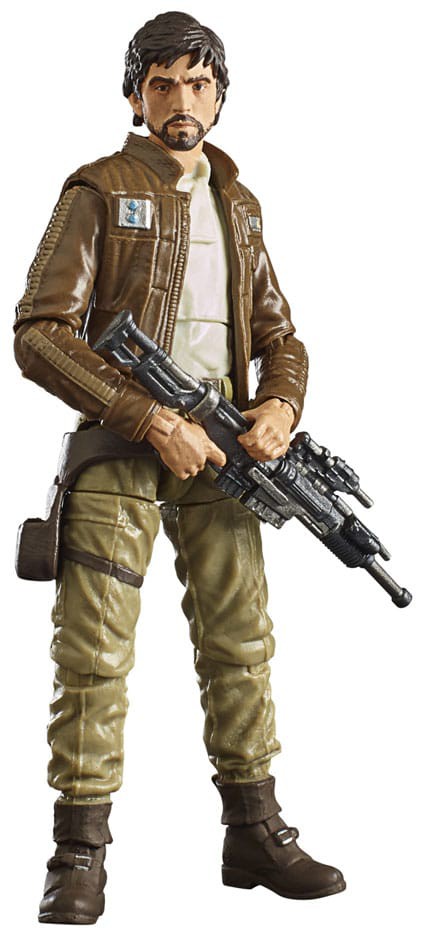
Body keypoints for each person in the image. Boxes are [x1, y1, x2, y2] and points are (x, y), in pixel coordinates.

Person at [14, 11, 345, 924]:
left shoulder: (239, 203)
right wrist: (150, 416)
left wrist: (279, 406)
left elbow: (279, 334)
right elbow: (39, 333)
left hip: (226, 450)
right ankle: (78, 852)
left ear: (220, 97)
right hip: (123, 443)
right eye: (162, 85)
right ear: (136, 96)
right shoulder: (97, 189)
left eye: (198, 84)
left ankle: (256, 832)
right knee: (92, 653)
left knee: (241, 640)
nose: (181, 100)